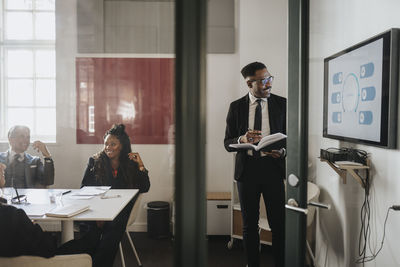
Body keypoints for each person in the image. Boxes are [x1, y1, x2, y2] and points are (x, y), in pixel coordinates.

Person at [224, 62, 286, 267]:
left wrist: (283, 151)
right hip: (247, 172)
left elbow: (292, 139)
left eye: (270, 78)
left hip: (273, 170)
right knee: (250, 226)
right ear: (249, 83)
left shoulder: (283, 104)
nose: (269, 84)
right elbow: (227, 143)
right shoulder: (236, 107)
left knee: (279, 224)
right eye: (263, 80)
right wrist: (242, 139)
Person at [81, 123, 150, 267]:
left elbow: (144, 187)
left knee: (113, 228)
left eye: (113, 144)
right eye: (106, 143)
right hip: (97, 210)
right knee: (91, 235)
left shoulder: (131, 163)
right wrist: (99, 215)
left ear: (122, 146)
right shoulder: (94, 161)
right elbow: (84, 189)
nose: (108, 147)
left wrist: (141, 166)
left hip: (120, 211)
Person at [0, 170, 102, 260]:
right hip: (39, 260)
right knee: (90, 239)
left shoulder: (11, 214)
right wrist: (35, 228)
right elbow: (48, 248)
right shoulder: (12, 215)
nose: (3, 166)